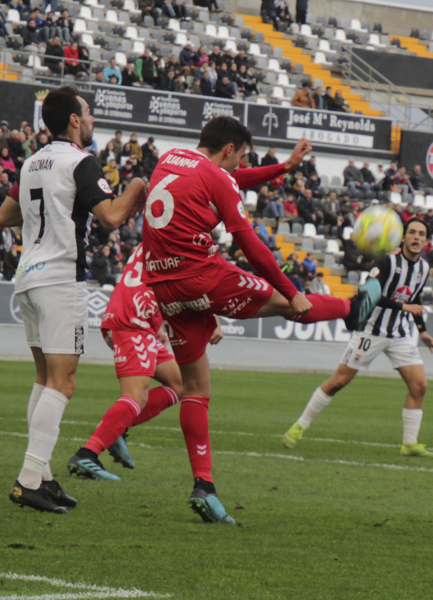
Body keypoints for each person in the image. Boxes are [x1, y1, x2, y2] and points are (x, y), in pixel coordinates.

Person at [141, 119, 383, 525]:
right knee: (290, 306)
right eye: (242, 157)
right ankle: (352, 310)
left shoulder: (169, 159)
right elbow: (249, 242)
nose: (241, 165)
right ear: (230, 149)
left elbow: (229, 181)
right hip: (203, 275)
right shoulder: (217, 174)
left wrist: (284, 167)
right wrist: (291, 290)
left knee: (195, 388)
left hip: (164, 288)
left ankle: (205, 486)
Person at [0, 86, 148, 514]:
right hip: (61, 278)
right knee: (64, 381)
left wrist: (45, 210)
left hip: (27, 276)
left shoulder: (31, 162)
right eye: (89, 113)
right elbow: (113, 217)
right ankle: (28, 479)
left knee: (45, 379)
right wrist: (136, 184)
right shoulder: (81, 161)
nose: (92, 119)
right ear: (75, 121)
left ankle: (41, 476)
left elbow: (4, 217)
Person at [283, 219, 433, 457]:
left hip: (399, 334)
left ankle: (409, 444)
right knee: (338, 382)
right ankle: (299, 426)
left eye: (421, 234)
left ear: (426, 241)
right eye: (412, 233)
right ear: (403, 237)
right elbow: (368, 292)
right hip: (370, 330)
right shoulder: (388, 262)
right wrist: (403, 306)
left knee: (419, 386)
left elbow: (414, 300)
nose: (416, 238)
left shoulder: (424, 268)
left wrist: (423, 332)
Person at [66, 244, 207, 480]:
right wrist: (212, 319)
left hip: (140, 319)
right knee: (135, 396)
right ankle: (87, 453)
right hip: (132, 321)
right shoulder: (181, 239)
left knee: (181, 383)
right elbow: (186, 287)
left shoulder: (159, 235)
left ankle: (118, 429)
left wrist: (156, 323)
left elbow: (155, 280)